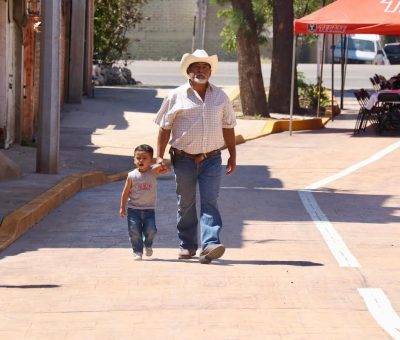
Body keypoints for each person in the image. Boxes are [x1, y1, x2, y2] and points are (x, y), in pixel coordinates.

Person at [154, 49, 237, 264]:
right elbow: (164, 129)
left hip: (211, 158)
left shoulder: (220, 97)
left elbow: (228, 127)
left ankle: (209, 244)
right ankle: (187, 246)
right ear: (188, 72)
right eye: (196, 67)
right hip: (183, 159)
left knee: (210, 201)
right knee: (187, 203)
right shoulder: (175, 96)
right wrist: (159, 157)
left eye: (204, 67)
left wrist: (233, 155)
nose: (200, 70)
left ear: (210, 71)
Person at [119, 144, 169, 261]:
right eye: (138, 158)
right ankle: (137, 251)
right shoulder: (131, 176)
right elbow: (125, 192)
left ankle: (148, 245)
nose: (141, 160)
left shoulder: (153, 172)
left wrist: (162, 165)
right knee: (134, 231)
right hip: (133, 210)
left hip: (149, 209)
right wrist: (122, 207)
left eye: (144, 158)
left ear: (151, 160)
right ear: (134, 159)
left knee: (151, 230)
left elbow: (166, 169)